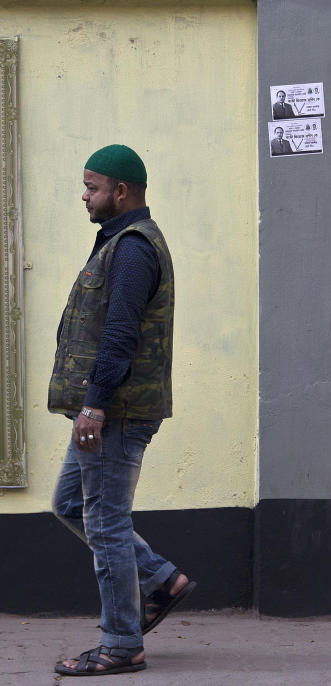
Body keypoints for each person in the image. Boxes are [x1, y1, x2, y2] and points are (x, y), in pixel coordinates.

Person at [50, 144, 196, 676]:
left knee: (106, 521)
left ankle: (120, 643)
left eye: (92, 187)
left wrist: (94, 405)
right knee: (71, 502)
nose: (84, 196)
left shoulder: (133, 248)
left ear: (121, 191)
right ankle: (161, 579)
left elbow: (119, 335)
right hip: (110, 409)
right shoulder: (115, 243)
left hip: (117, 411)